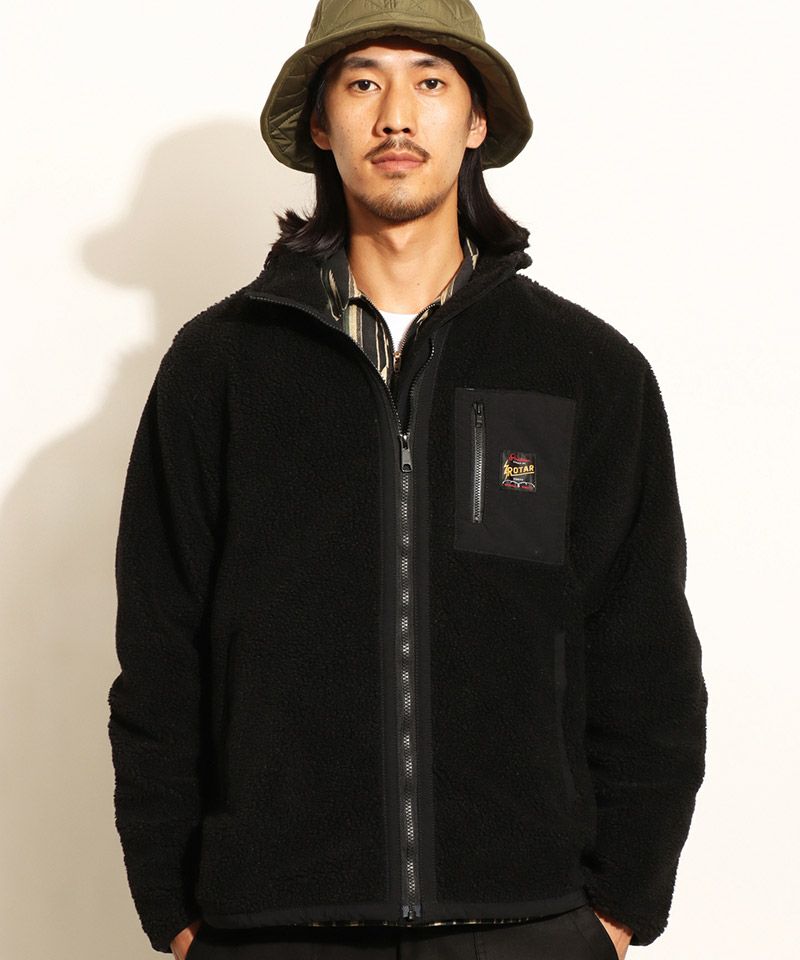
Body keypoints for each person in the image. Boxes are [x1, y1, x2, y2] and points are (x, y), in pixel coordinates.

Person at [107, 1, 708, 958]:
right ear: (321, 123)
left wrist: (619, 910)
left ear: (476, 120)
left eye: (430, 81)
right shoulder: (218, 368)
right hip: (272, 929)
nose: (396, 114)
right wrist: (175, 915)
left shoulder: (583, 369)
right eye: (363, 82)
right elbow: (159, 652)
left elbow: (647, 658)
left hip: (528, 924)